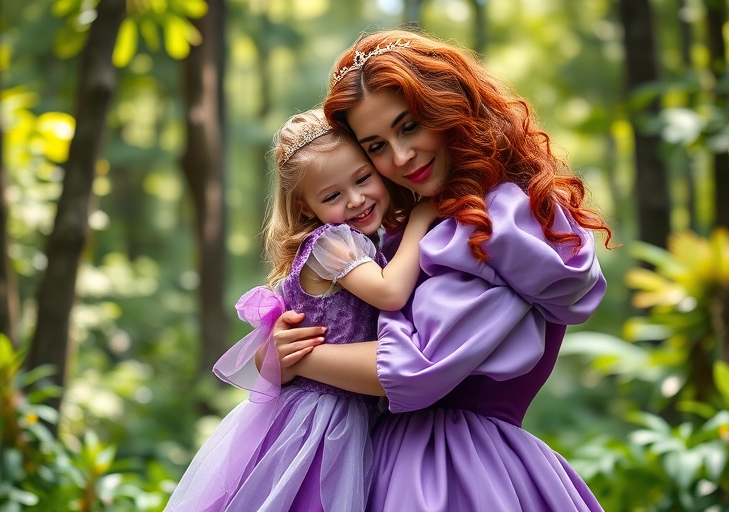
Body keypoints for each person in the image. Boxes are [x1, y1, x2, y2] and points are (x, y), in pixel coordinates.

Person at [273, 29, 613, 511]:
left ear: (447, 107)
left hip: (444, 471)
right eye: (376, 146)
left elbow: (412, 369)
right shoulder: (436, 224)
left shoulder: (489, 228)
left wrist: (296, 360)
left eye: (409, 126)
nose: (401, 156)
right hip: (419, 457)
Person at [164, 108, 436, 511]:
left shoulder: (363, 242)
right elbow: (390, 293)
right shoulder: (332, 242)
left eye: (362, 178)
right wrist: (423, 215)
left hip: (348, 415)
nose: (356, 199)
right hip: (318, 420)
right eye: (332, 196)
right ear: (306, 207)